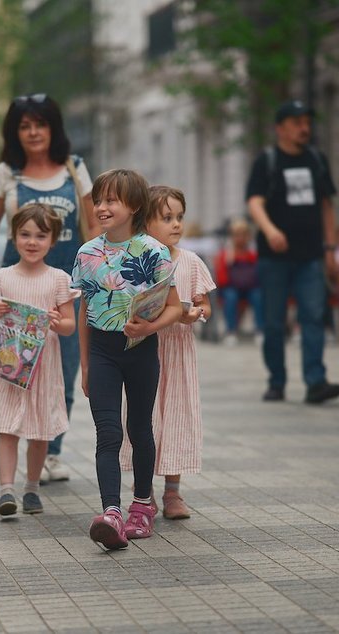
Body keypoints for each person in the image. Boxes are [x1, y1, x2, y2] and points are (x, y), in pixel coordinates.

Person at [0, 94, 94, 483]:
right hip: (16, 287)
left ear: (53, 128)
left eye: (40, 124)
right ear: (16, 133)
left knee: (63, 369)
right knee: (16, 370)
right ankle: (16, 450)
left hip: (66, 284)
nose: (33, 133)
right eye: (25, 126)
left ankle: (51, 452)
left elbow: (93, 227)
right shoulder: (7, 174)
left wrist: (104, 277)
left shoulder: (75, 168)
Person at [71, 169, 182, 550]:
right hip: (102, 351)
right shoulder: (87, 253)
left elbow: (174, 308)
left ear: (133, 205)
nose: (101, 207)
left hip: (140, 352)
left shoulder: (154, 251)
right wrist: (85, 364)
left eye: (110, 201)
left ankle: (141, 505)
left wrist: (148, 330)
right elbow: (84, 311)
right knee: (107, 432)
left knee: (139, 428)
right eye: (98, 200)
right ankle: (112, 513)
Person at [120, 185, 216, 520]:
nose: (176, 224)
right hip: (145, 351)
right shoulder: (136, 260)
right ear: (146, 223)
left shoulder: (191, 262)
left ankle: (173, 492)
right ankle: (141, 490)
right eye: (166, 218)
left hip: (178, 355)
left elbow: (204, 304)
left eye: (179, 217)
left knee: (175, 418)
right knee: (143, 420)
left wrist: (197, 312)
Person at [0, 203, 79, 515]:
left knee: (39, 431)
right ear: (14, 238)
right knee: (7, 428)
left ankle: (32, 488)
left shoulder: (59, 279)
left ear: (53, 240)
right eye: (25, 234)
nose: (32, 242)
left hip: (45, 367)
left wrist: (55, 321)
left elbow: (69, 326)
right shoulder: (0, 278)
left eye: (40, 235)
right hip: (10, 365)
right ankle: (6, 490)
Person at [245, 99, 339, 404]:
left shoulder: (316, 159)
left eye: (307, 123)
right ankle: (277, 381)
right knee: (274, 322)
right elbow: (254, 202)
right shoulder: (267, 161)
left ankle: (316, 382)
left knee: (313, 316)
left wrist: (330, 247)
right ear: (281, 128)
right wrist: (270, 230)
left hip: (311, 254)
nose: (305, 128)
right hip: (274, 258)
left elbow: (326, 206)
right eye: (298, 123)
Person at [214, 218, 262, 345]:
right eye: (237, 235)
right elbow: (222, 279)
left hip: (250, 289)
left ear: (248, 237)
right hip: (231, 288)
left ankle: (260, 330)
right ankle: (230, 331)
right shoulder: (226, 254)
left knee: (258, 296)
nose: (240, 238)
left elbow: (259, 276)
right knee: (230, 296)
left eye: (243, 235)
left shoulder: (253, 254)